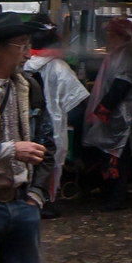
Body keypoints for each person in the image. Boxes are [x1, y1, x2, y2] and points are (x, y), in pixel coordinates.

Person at [0, 10, 56, 263]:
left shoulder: (30, 86)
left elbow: (47, 143)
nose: (28, 53)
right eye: (21, 44)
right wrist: (8, 150)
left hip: (23, 204)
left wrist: (36, 195)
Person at [82, 17, 132, 211]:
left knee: (117, 157)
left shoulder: (125, 55)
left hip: (120, 117)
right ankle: (109, 193)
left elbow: (122, 84)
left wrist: (104, 108)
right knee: (108, 155)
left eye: (110, 35)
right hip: (113, 117)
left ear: (120, 36)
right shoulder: (117, 54)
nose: (107, 39)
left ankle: (117, 197)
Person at [22, 15, 89, 218]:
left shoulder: (19, 65)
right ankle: (46, 201)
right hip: (51, 126)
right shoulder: (60, 68)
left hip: (24, 126)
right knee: (49, 160)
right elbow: (77, 102)